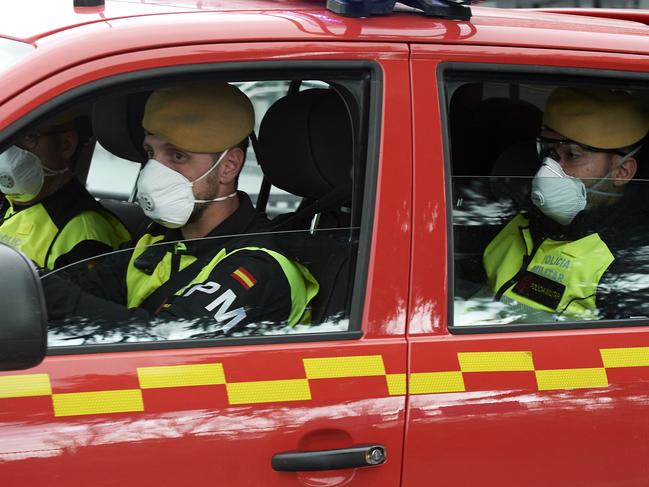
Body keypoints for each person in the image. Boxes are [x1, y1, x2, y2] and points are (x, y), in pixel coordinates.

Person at [43, 82, 319, 338]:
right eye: (151, 153)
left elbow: (164, 343)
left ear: (228, 166)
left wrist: (48, 293)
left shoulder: (260, 268)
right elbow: (81, 290)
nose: (156, 172)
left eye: (177, 156)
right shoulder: (158, 241)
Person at [480, 87, 649, 322]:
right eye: (549, 152)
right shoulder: (516, 226)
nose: (549, 169)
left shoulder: (631, 263)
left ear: (622, 172)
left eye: (572, 155)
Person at [0, 112, 131, 270]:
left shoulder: (84, 234)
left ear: (66, 145)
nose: (8, 152)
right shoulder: (11, 204)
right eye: (6, 137)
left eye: (28, 137)